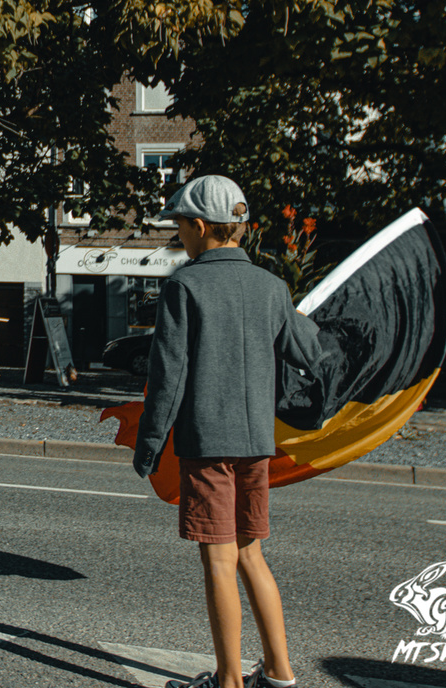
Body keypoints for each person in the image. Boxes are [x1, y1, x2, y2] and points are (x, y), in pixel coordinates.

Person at [133, 174, 321, 688]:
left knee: (217, 559)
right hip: (256, 442)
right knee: (249, 554)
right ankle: (279, 673)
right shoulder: (271, 287)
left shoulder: (184, 286)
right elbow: (310, 351)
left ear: (199, 226)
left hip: (208, 443)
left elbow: (168, 378)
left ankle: (229, 681)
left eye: (179, 226)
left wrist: (149, 446)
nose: (178, 235)